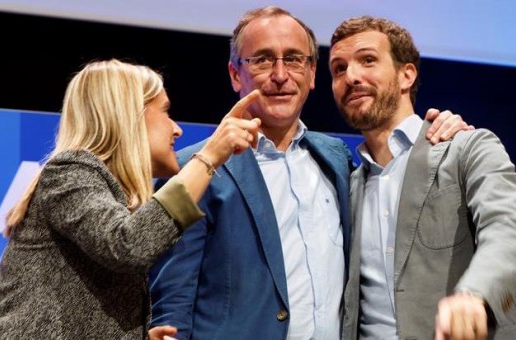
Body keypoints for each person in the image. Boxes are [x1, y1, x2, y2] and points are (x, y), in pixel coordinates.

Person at [149, 7, 469, 340]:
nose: (280, 75)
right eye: (262, 60)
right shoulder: (196, 169)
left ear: (312, 73)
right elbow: (172, 304)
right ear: (234, 74)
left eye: (294, 59)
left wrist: (443, 125)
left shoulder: (337, 159)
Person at [0, 59, 262, 339]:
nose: (177, 128)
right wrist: (209, 156)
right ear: (129, 116)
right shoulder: (70, 170)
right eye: (165, 112)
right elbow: (130, 245)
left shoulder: (108, 194)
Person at [328, 16, 516, 340]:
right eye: (339, 69)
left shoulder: (466, 147)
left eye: (368, 60)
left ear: (406, 75)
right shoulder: (347, 187)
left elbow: (510, 229)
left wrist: (474, 294)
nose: (351, 76)